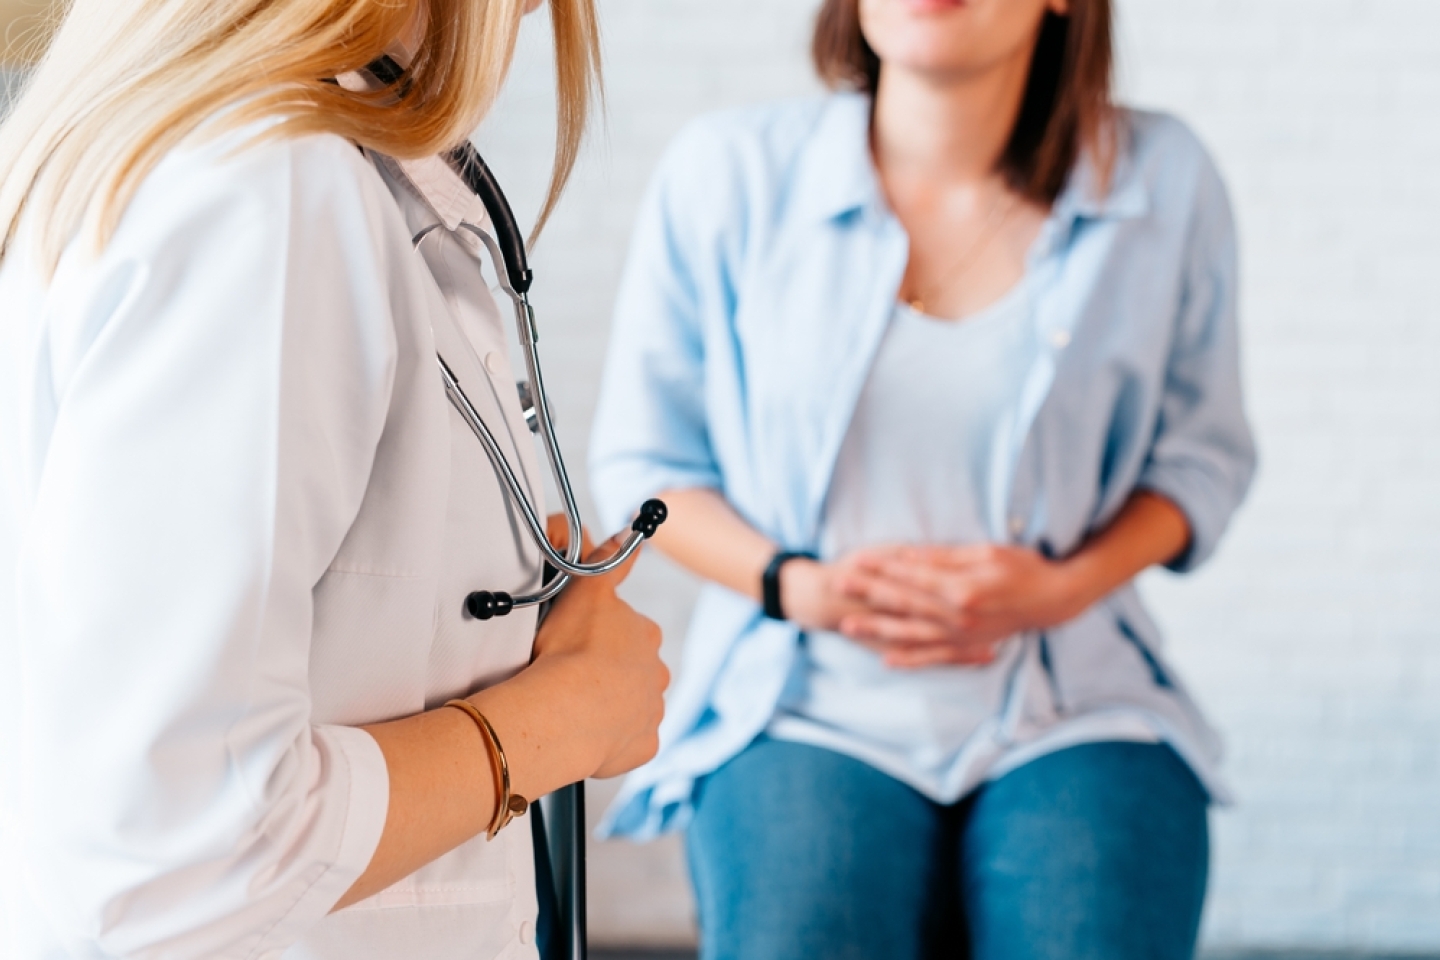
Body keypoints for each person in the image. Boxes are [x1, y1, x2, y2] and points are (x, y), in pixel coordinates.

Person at [0, 0, 668, 957]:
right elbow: (176, 852)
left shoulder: (263, 163)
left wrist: (534, 636)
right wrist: (567, 715)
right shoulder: (267, 187)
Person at [589, 0, 1256, 957]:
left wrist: (1059, 587)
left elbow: (1202, 456)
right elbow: (646, 469)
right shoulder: (726, 173)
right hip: (803, 702)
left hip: (1075, 702)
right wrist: (798, 586)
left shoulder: (1164, 177)